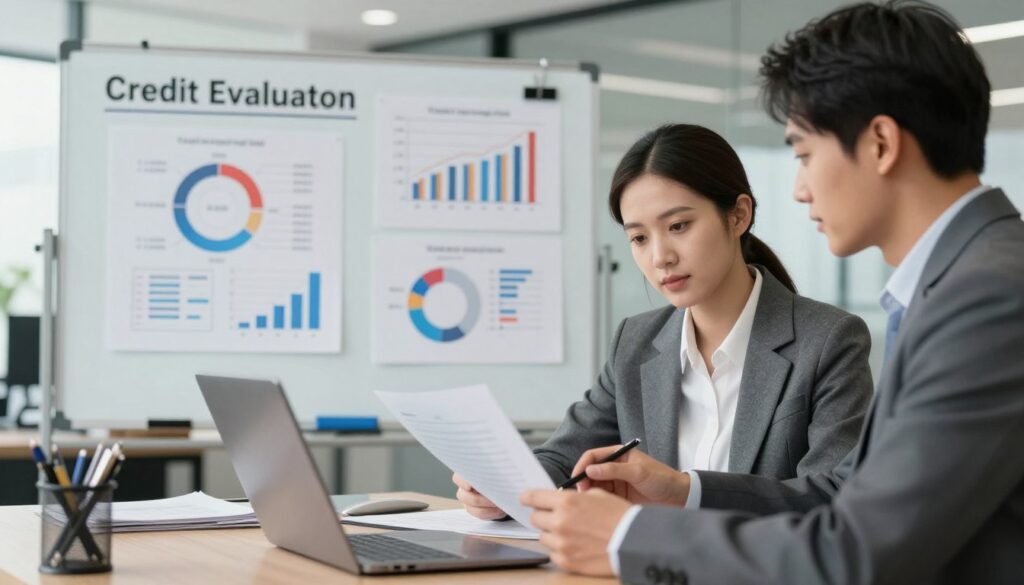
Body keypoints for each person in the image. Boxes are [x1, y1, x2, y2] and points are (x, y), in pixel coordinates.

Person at [521, 2, 1024, 583]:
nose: (801, 189)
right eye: (638, 236)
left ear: (881, 143)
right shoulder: (966, 280)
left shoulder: (985, 296)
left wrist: (627, 538)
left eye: (804, 154)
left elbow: (857, 549)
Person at [455, 123, 874, 521]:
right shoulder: (637, 341)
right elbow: (563, 456)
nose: (660, 257)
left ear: (738, 215)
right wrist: (502, 487)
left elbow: (834, 495)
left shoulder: (828, 340)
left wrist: (686, 491)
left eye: (678, 226)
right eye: (639, 238)